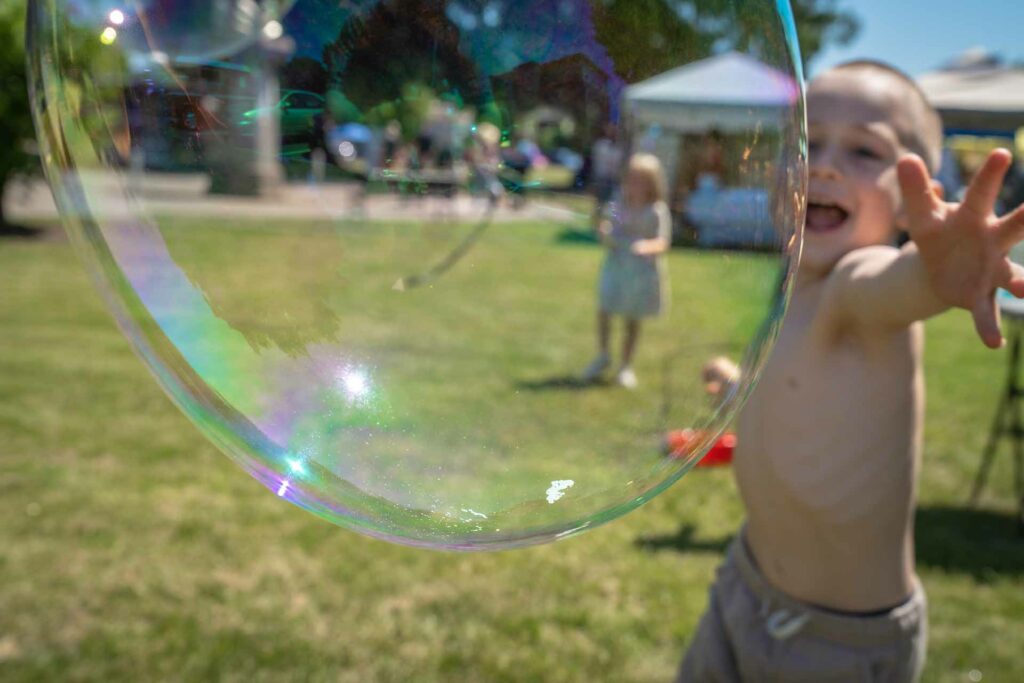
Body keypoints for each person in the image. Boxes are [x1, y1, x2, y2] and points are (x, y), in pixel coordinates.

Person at [679, 60, 1024, 682]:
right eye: (809, 143)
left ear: (911, 206)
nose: (827, 164)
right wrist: (737, 385)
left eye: (865, 151)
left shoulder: (857, 289)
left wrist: (939, 271)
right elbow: (793, 387)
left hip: (835, 645)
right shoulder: (793, 288)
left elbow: (901, 286)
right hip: (743, 583)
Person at [582, 153, 672, 389]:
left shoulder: (657, 210)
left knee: (632, 317)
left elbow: (663, 241)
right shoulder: (618, 202)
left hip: (641, 272)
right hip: (616, 265)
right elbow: (609, 224)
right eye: (631, 179)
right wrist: (604, 230)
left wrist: (645, 245)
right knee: (605, 308)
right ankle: (603, 355)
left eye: (639, 180)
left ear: (651, 183)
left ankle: (625, 366)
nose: (633, 185)